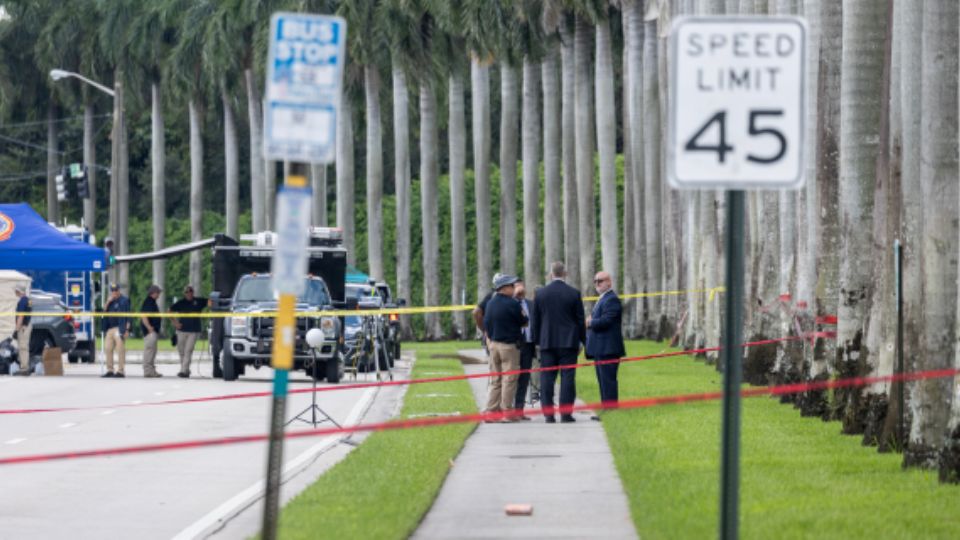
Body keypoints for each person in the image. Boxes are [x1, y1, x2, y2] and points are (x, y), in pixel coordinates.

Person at [531, 261, 585, 423]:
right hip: (568, 343)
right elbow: (580, 320)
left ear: (550, 274)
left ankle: (548, 414)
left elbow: (535, 321)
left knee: (547, 378)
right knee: (568, 377)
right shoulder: (574, 293)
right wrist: (582, 340)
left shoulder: (540, 294)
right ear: (565, 273)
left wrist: (537, 341)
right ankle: (566, 413)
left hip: (547, 343)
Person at [482, 274, 528, 422]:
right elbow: (524, 321)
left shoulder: (490, 303)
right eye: (512, 286)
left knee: (495, 379)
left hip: (493, 345)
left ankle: (491, 412)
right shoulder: (513, 304)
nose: (514, 289)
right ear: (506, 287)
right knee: (510, 378)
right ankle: (507, 412)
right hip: (509, 346)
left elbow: (486, 325)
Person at [585, 271, 625, 419]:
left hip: (608, 348)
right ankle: (606, 407)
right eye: (595, 281)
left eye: (600, 281)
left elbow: (607, 320)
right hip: (600, 348)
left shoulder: (612, 299)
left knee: (608, 379)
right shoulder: (602, 299)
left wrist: (590, 322)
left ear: (609, 282)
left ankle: (610, 409)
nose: (597, 284)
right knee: (602, 379)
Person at [171, 285, 208, 378]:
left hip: (193, 331)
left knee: (188, 350)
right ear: (184, 293)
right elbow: (169, 311)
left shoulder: (198, 301)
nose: (189, 294)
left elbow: (210, 302)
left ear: (193, 292)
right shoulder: (181, 302)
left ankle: (183, 371)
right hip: (181, 330)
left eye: (190, 292)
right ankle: (186, 369)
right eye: (187, 292)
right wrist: (175, 322)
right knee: (181, 351)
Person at [513, 279, 536, 419]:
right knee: (511, 379)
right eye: (516, 287)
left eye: (522, 286)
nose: (520, 289)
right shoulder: (509, 304)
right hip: (514, 346)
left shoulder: (531, 304)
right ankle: (508, 409)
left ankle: (519, 410)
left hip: (528, 345)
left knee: (524, 379)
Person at [102, 284, 131, 378]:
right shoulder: (110, 301)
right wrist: (108, 302)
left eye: (116, 290)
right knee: (107, 348)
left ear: (119, 290)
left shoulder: (124, 300)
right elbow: (104, 312)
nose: (114, 292)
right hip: (110, 328)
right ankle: (110, 370)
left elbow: (128, 315)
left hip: (120, 328)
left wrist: (127, 329)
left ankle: (121, 371)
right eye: (112, 290)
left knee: (120, 349)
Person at [139, 284, 163, 378]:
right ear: (153, 293)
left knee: (152, 351)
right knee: (149, 351)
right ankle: (148, 371)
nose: (159, 294)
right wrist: (149, 327)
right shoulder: (149, 302)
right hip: (150, 332)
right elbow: (144, 315)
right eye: (158, 292)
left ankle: (152, 370)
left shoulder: (152, 301)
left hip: (153, 331)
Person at [13, 285, 31, 376]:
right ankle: (25, 367)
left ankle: (24, 368)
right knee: (24, 346)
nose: (15, 292)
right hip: (28, 325)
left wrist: (16, 329)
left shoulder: (22, 302)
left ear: (19, 291)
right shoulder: (28, 300)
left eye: (16, 291)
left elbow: (20, 316)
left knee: (23, 347)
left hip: (23, 327)